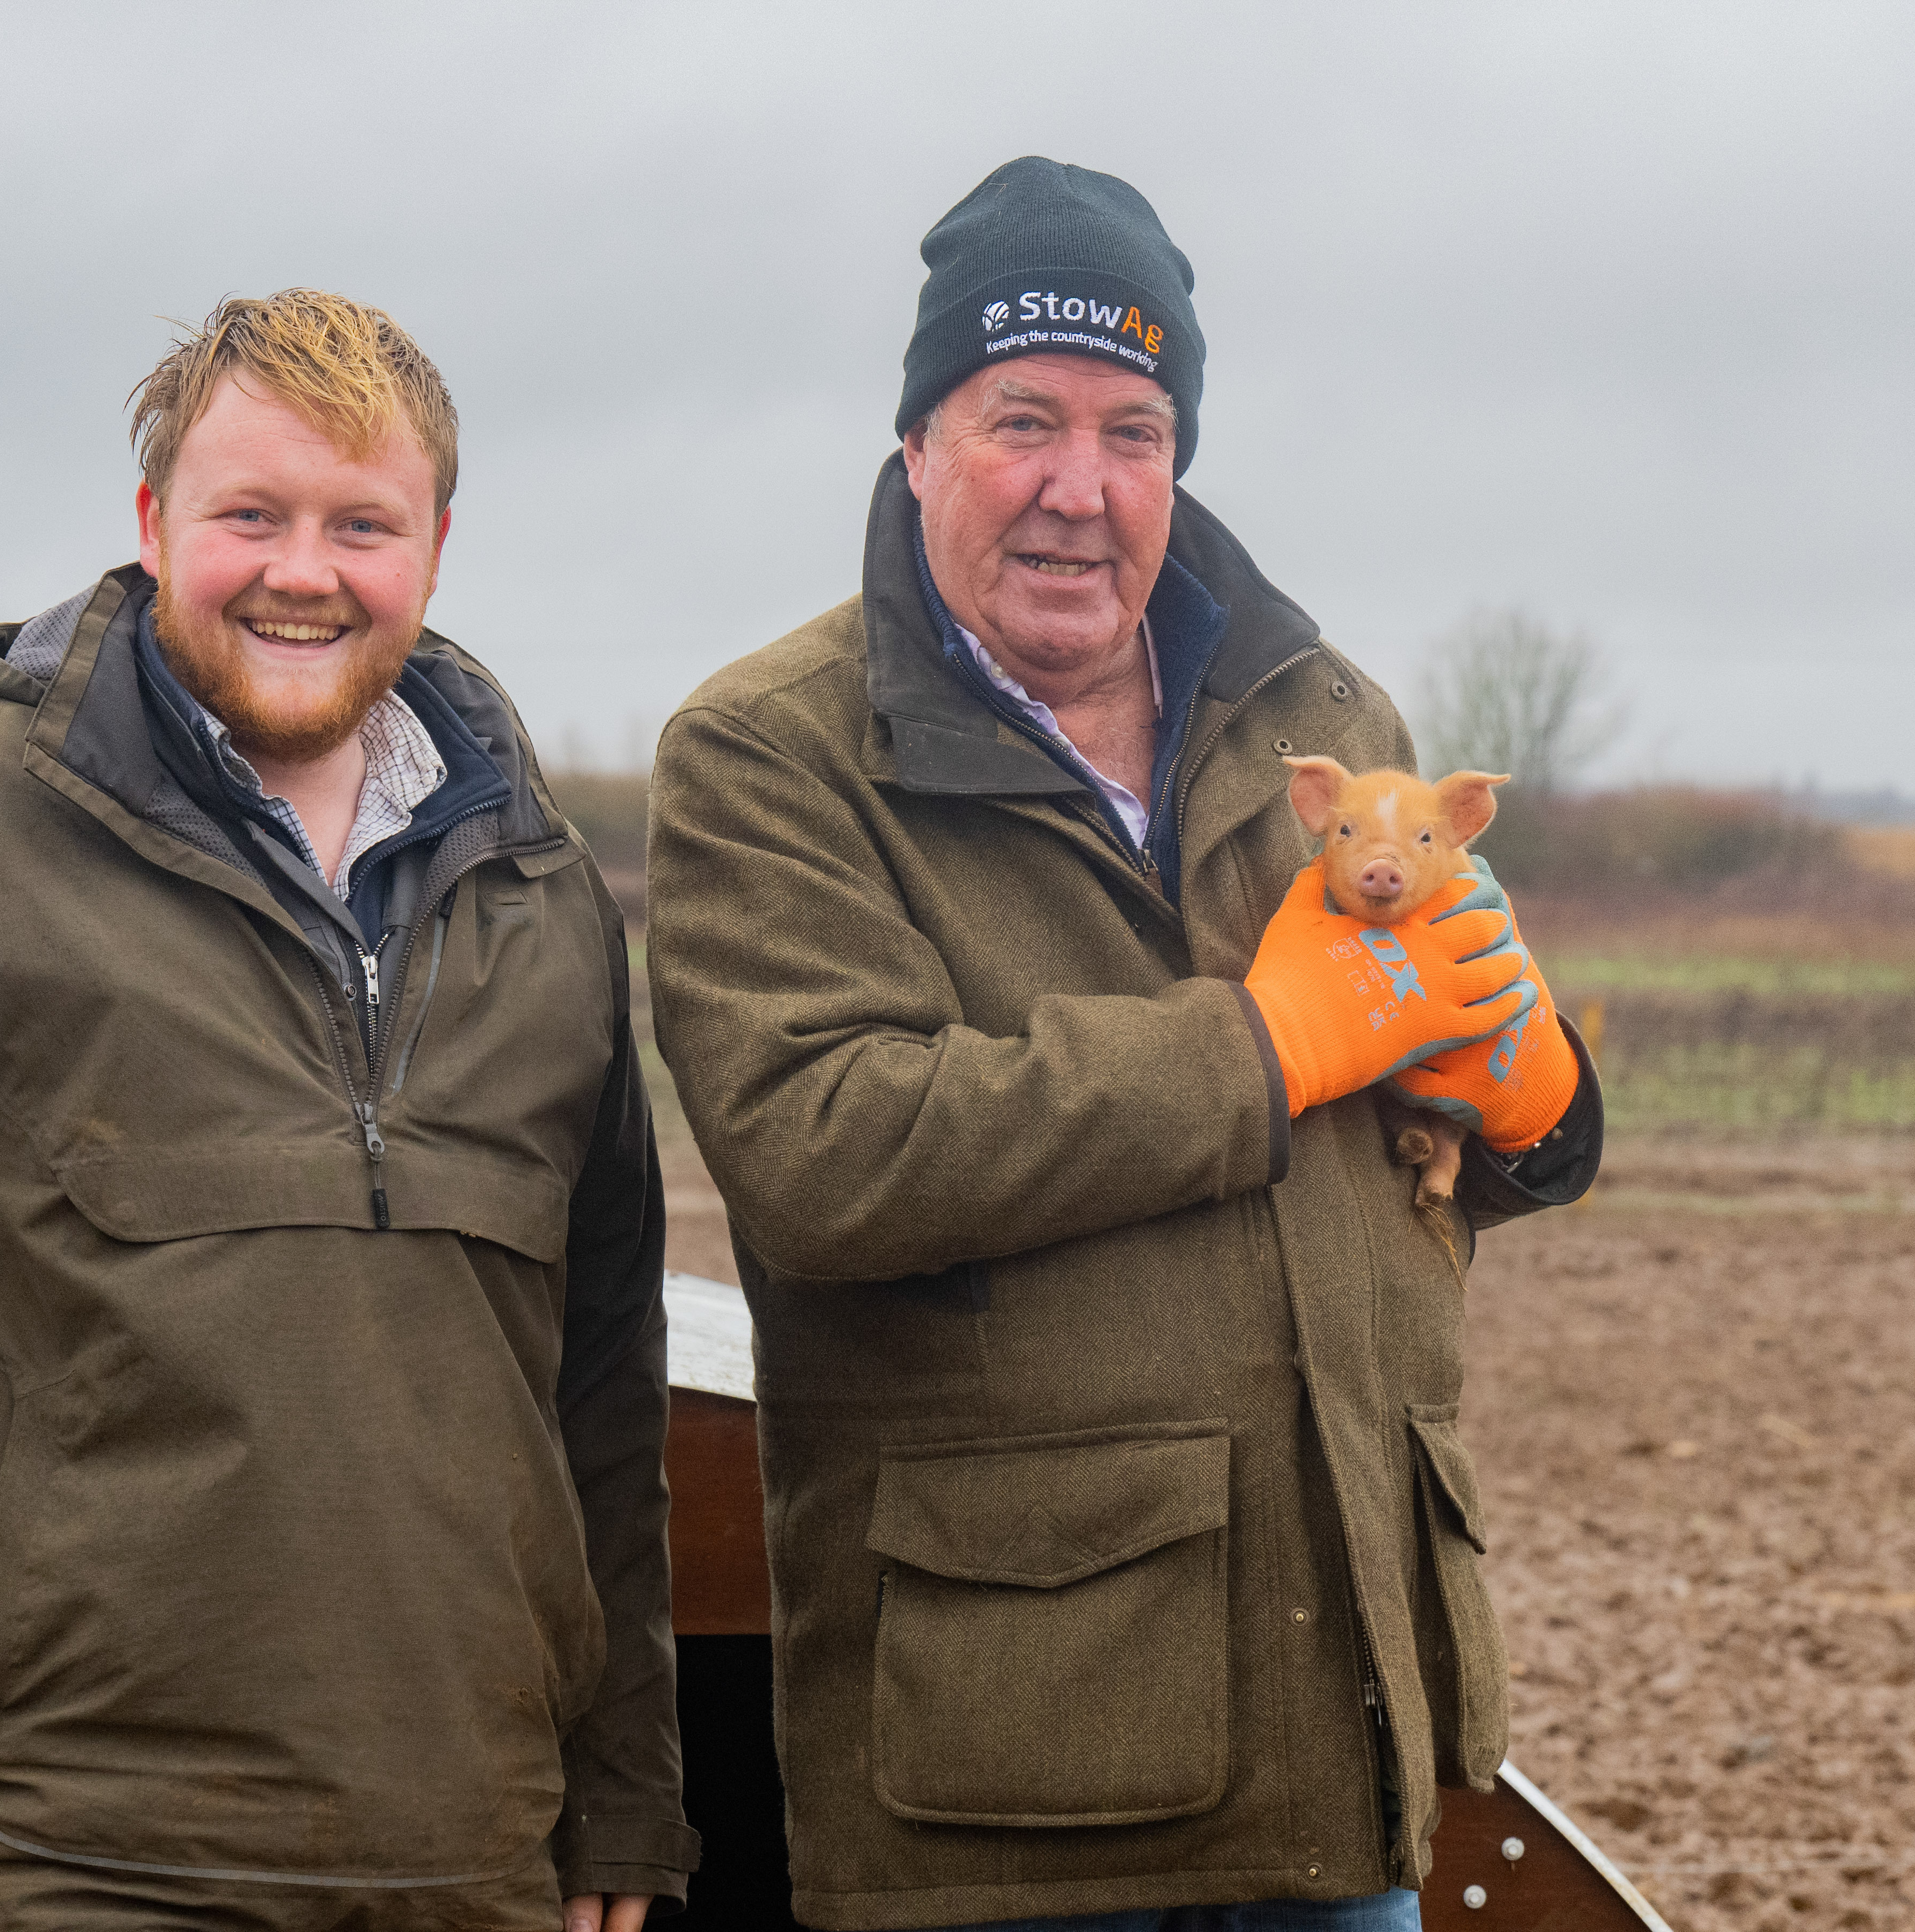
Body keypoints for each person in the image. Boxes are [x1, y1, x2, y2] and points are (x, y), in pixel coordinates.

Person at [0, 290, 696, 1931]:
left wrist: (624, 1797)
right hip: (61, 1858)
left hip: (466, 1856)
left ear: (434, 546)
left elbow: (602, 1385)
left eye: (363, 523)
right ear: (152, 526)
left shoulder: (541, 890)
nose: (305, 570)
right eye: (251, 515)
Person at [645, 160, 1602, 1930]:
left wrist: (1535, 1107)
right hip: (1017, 1786)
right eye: (1024, 421)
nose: (1079, 490)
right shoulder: (770, 756)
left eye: (1135, 431)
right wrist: (1258, 1050)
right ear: (920, 442)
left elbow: (1407, 1114)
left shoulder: (1320, 719)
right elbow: (830, 1154)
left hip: (1340, 1744)